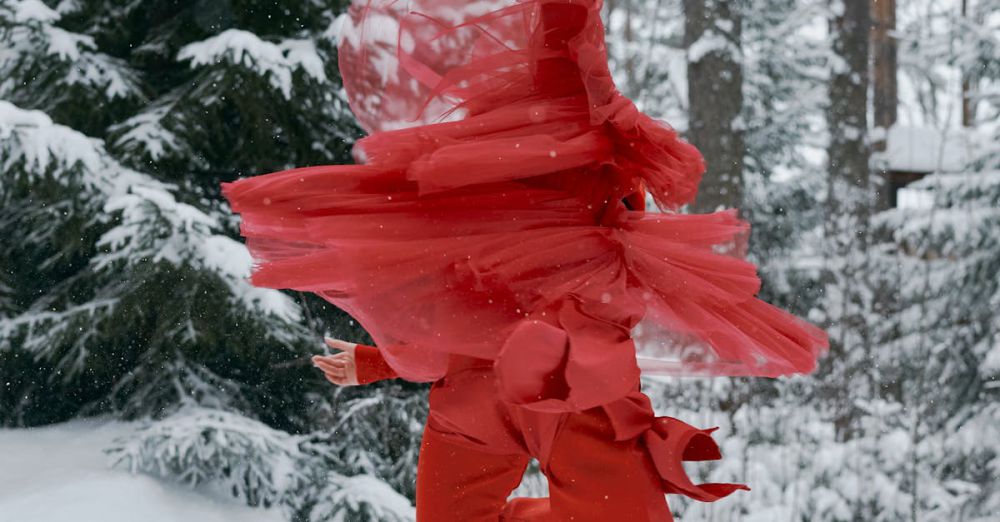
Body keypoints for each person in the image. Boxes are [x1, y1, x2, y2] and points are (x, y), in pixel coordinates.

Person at [222, 1, 829, 520]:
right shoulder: (486, 174)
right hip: (522, 396)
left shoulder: (552, 140)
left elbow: (565, 34)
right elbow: (449, 305)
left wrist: (379, 363)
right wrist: (377, 362)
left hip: (556, 394)